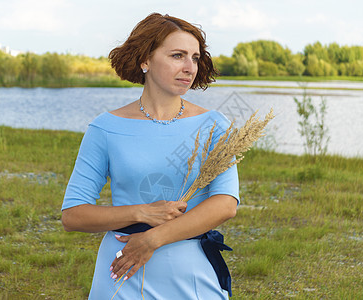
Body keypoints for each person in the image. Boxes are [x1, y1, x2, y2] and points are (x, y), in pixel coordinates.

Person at [61, 12, 239, 299]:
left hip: (191, 273)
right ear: (145, 60)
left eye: (194, 58)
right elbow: (73, 216)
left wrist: (153, 239)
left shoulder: (214, 125)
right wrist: (139, 212)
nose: (189, 67)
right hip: (121, 270)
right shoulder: (105, 128)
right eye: (177, 55)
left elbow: (225, 204)